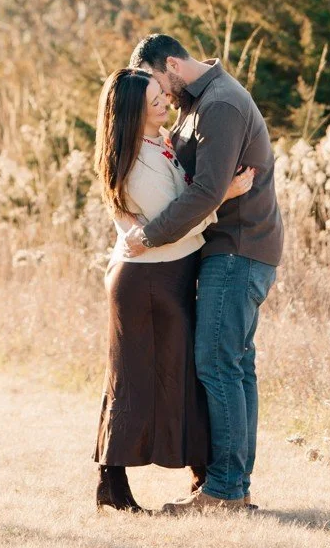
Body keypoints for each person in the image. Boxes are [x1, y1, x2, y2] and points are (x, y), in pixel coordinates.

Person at [121, 33, 284, 514]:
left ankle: (226, 491)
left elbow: (206, 193)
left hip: (237, 249)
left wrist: (148, 236)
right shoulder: (198, 103)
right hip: (234, 248)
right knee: (233, 366)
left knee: (218, 365)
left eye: (157, 84)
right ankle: (233, 485)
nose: (159, 97)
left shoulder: (221, 105)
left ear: (171, 64)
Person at [91, 67, 255, 513]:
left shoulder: (154, 146)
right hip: (148, 281)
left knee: (179, 376)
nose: (165, 101)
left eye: (162, 93)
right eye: (154, 99)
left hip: (167, 275)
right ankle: (113, 486)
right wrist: (223, 194)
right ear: (132, 112)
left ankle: (202, 477)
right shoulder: (137, 162)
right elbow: (173, 224)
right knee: (136, 381)